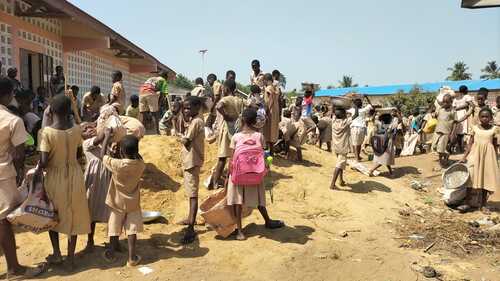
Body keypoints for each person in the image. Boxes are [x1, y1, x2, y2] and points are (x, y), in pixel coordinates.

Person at [36, 94, 91, 271]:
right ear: (69, 111)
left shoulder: (46, 133)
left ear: (50, 111)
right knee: (73, 216)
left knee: (54, 215)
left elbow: (43, 161)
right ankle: (71, 259)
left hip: (54, 177)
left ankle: (57, 253)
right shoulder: (76, 130)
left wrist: (36, 169)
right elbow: (78, 155)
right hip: (75, 175)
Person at [0, 78, 43, 279]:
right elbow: (18, 155)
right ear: (9, 95)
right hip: (3, 175)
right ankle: (14, 269)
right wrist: (20, 177)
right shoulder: (12, 120)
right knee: (3, 221)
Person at [228, 107, 284, 240]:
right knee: (260, 199)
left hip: (239, 176)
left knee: (238, 202)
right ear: (255, 121)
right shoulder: (259, 136)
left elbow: (231, 161)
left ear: (241, 120)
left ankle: (240, 231)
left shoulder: (235, 137)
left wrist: (227, 178)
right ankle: (268, 221)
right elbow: (264, 155)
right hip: (255, 174)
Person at [102, 135, 145, 266]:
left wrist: (106, 140)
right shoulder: (140, 165)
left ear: (121, 151)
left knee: (114, 227)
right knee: (132, 230)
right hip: (133, 202)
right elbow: (138, 158)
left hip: (117, 202)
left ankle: (111, 253)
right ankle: (132, 258)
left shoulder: (117, 164)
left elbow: (103, 155)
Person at [459, 108, 499, 212]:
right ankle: (467, 203)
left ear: (491, 118)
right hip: (474, 155)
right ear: (479, 118)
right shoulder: (475, 128)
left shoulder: (494, 129)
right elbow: (470, 144)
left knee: (485, 179)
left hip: (488, 157)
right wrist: (464, 156)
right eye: (482, 116)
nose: (484, 118)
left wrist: (496, 159)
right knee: (471, 177)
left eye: (487, 116)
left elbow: (495, 145)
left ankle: (483, 204)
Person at [82, 126, 113, 253]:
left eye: (90, 126)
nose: (89, 129)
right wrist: (106, 131)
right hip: (94, 182)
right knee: (91, 211)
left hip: (107, 178)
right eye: (84, 129)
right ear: (82, 136)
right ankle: (90, 241)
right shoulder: (86, 144)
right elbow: (100, 138)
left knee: (112, 212)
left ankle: (113, 241)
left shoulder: (104, 144)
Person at [210, 80, 245, 189]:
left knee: (222, 158)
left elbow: (218, 106)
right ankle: (231, 182)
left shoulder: (225, 99)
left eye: (223, 88)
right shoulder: (240, 100)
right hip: (237, 130)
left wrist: (226, 116)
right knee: (234, 157)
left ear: (226, 89)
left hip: (227, 131)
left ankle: (215, 183)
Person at [179, 96, 205, 244]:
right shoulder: (195, 121)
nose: (186, 110)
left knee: (193, 194)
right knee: (191, 193)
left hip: (192, 162)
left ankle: (190, 229)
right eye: (185, 108)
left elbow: (187, 141)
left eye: (189, 108)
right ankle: (190, 219)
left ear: (197, 107)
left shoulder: (196, 122)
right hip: (191, 161)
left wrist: (179, 135)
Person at [432, 94, 472, 167]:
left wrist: (453, 133)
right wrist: (434, 114)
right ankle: (446, 154)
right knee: (434, 147)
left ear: (451, 102)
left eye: (447, 102)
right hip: (437, 130)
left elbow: (455, 123)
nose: (445, 104)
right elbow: (436, 115)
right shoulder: (440, 109)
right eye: (444, 102)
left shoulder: (453, 111)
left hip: (446, 132)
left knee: (440, 149)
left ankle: (442, 163)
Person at [330, 107, 358, 189]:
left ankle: (341, 180)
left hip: (335, 147)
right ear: (343, 115)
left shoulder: (333, 121)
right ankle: (332, 184)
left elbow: (333, 113)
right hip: (343, 148)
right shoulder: (345, 122)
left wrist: (334, 105)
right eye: (345, 113)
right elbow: (356, 115)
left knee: (340, 164)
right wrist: (355, 105)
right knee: (339, 165)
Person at [348, 96, 373, 161]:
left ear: (354, 105)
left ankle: (356, 158)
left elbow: (345, 108)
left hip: (355, 128)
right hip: (362, 128)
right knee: (359, 144)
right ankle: (358, 156)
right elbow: (371, 105)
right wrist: (367, 97)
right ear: (361, 104)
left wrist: (351, 100)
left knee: (354, 143)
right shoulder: (364, 110)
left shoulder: (352, 110)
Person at [263, 73, 280, 155]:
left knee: (267, 130)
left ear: (266, 80)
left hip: (270, 112)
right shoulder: (275, 89)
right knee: (272, 131)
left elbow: (270, 100)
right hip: (275, 112)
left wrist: (266, 110)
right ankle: (271, 151)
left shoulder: (268, 88)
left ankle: (269, 151)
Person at [452, 85, 473, 153]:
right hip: (464, 114)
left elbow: (454, 107)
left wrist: (457, 108)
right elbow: (471, 104)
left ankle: (459, 147)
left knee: (458, 133)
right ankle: (461, 148)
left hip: (456, 114)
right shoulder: (467, 96)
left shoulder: (456, 98)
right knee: (462, 133)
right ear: (466, 90)